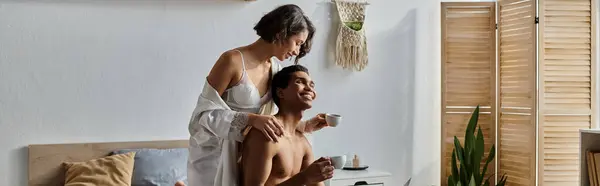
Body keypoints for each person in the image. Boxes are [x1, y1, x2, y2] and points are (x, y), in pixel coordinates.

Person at [187, 4, 330, 186]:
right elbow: (200, 117)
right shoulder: (232, 61)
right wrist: (250, 119)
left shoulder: (276, 70)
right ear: (282, 32)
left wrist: (305, 126)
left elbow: (271, 119)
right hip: (214, 158)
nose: (296, 52)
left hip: (249, 154)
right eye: (298, 43)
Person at [240, 65, 334, 186]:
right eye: (299, 82)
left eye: (311, 85)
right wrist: (305, 177)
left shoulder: (302, 142)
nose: (309, 88)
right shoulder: (265, 134)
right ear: (280, 92)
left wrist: (320, 173)